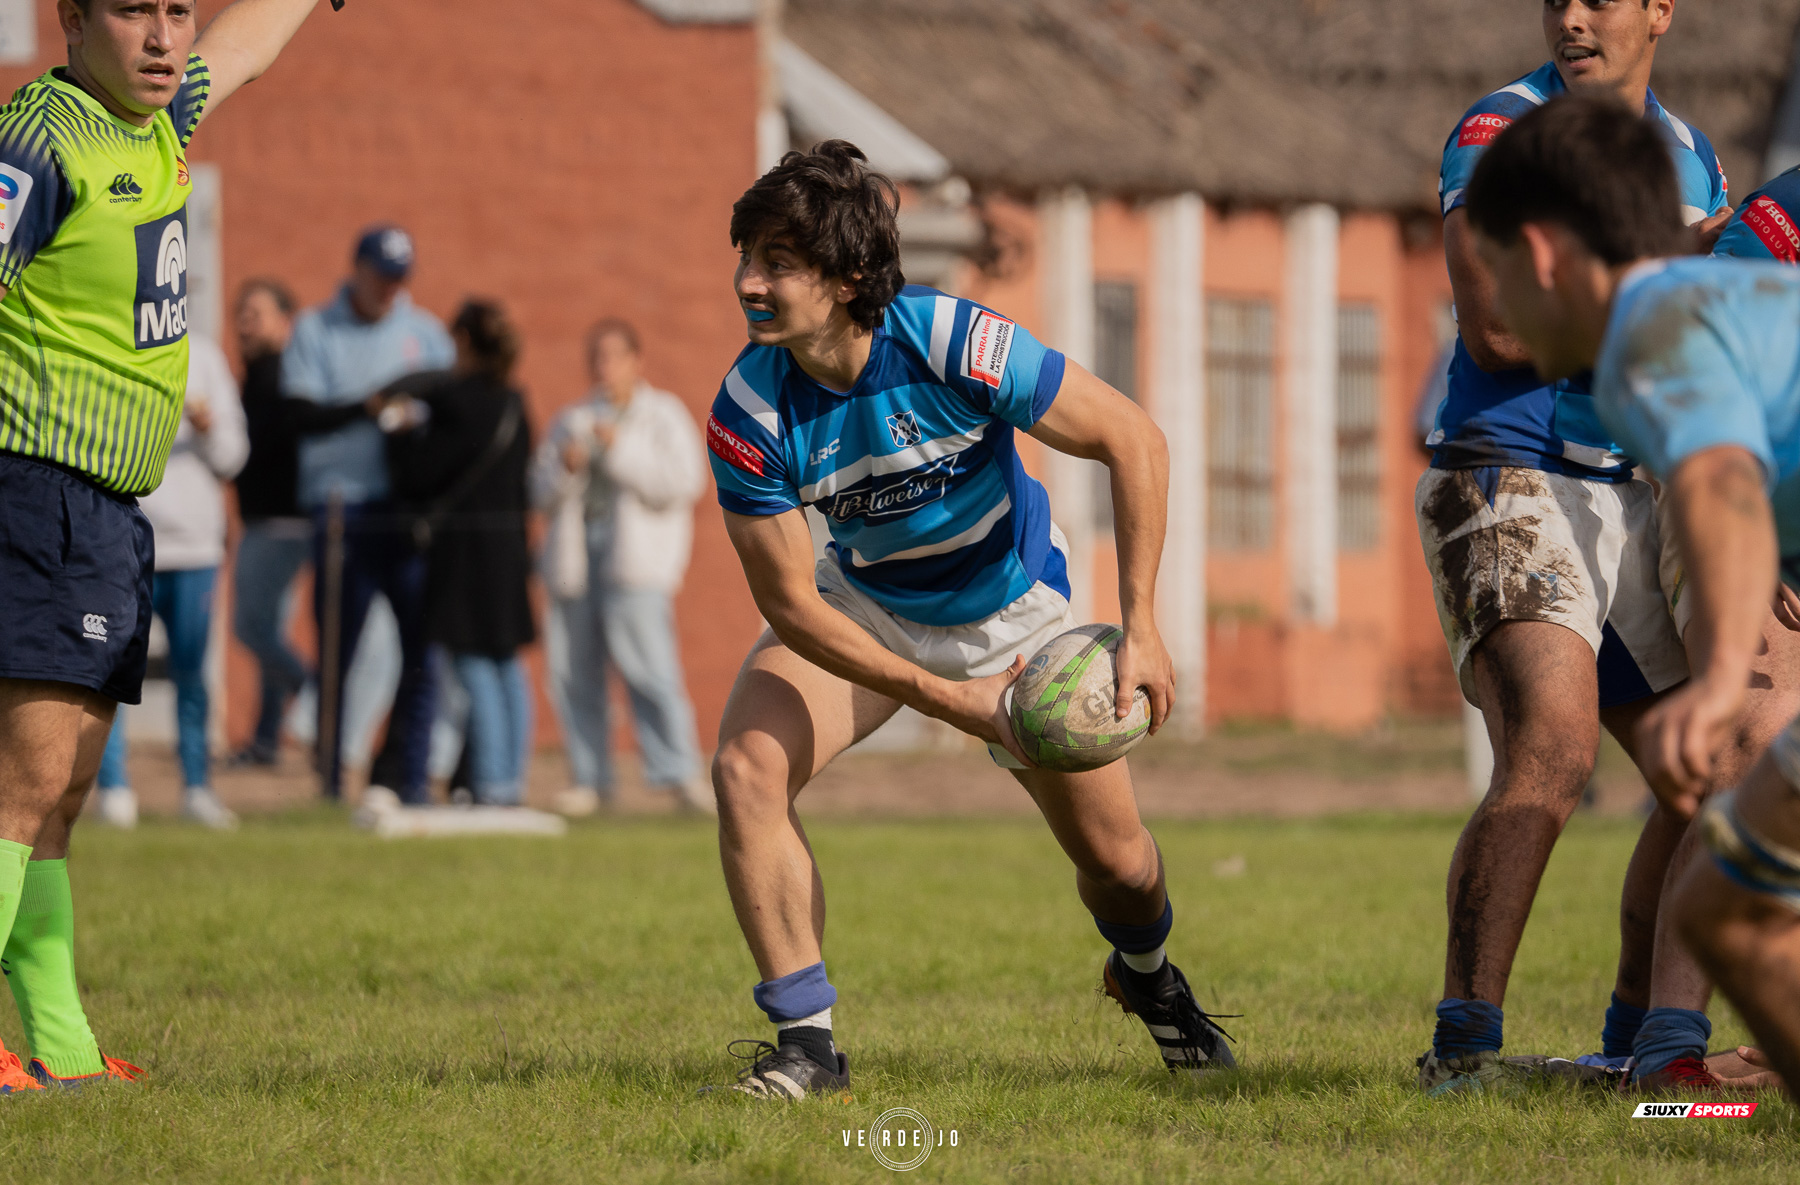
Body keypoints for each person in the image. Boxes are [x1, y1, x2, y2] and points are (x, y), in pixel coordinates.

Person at [703, 141, 1228, 1099]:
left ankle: (1149, 978)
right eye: (746, 256)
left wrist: (1141, 624)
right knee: (747, 765)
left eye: (777, 262)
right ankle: (807, 1046)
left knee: (1120, 867)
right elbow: (788, 604)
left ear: (848, 276)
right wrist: (950, 700)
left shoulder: (950, 338)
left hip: (1017, 613)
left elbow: (1133, 438)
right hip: (866, 609)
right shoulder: (748, 408)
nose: (748, 281)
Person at [1412, 0, 1800, 1095]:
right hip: (1505, 469)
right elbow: (1498, 330)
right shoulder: (1499, 135)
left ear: (1660, 11)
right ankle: (1463, 1051)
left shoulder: (1693, 158)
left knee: (1719, 767)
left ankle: (1644, 1047)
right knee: (1557, 743)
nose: (1575, 19)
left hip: (1644, 487)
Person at [0, 0, 343, 1094]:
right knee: (23, 784)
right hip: (33, 492)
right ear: (71, 21)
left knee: (63, 794)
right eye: (134, 13)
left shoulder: (159, 119)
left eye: (177, 13)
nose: (163, 38)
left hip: (108, 514)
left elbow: (252, 39)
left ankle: (58, 1046)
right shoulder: (38, 141)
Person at [282, 225, 454, 805]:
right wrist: (371, 407)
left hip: (404, 510)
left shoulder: (425, 332)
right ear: (356, 268)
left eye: (399, 278)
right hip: (341, 507)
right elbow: (301, 415)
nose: (389, 288)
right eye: (380, 275)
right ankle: (331, 776)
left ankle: (408, 776)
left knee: (420, 647)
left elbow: (447, 408)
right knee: (338, 648)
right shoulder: (315, 328)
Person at [532, 319, 710, 815]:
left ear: (637, 362)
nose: (604, 367)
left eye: (614, 356)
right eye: (597, 357)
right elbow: (539, 492)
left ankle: (679, 775)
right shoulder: (572, 418)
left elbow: (684, 482)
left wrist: (618, 450)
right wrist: (564, 468)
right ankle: (590, 779)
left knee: (651, 672)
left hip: (636, 564)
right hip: (574, 561)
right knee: (573, 674)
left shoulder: (663, 415)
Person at [383, 300, 535, 806]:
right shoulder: (514, 402)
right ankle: (511, 779)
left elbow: (422, 476)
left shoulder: (456, 403)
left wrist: (402, 439)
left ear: (465, 341)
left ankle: (493, 785)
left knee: (473, 668)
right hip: (509, 551)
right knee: (507, 668)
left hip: (465, 557)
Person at [94, 333, 246, 831]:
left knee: (191, 671)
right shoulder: (113, 345)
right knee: (111, 671)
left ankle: (197, 787)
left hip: (195, 547)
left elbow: (233, 456)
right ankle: (114, 788)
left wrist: (207, 428)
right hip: (126, 541)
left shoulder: (204, 357)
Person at [228, 277, 306, 767]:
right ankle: (265, 740)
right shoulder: (255, 377)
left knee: (250, 628)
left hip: (281, 523)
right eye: (241, 314)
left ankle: (311, 688)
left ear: (284, 323)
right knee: (269, 629)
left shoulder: (283, 379)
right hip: (270, 521)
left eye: (255, 314)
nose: (244, 324)